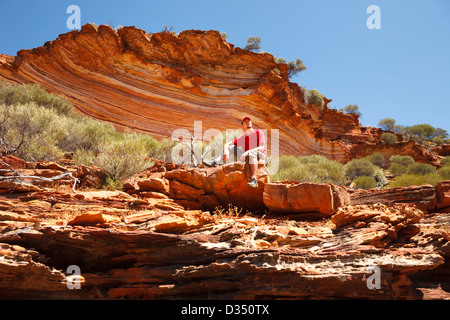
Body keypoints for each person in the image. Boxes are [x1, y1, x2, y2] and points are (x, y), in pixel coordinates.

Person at [205, 116, 267, 188]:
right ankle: (215, 162)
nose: (248, 123)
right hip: (248, 158)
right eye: (245, 122)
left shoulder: (259, 132)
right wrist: (226, 152)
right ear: (242, 126)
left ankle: (254, 180)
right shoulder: (243, 137)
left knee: (251, 153)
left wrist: (247, 152)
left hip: (261, 157)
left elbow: (262, 148)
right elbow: (228, 143)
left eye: (249, 121)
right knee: (231, 147)